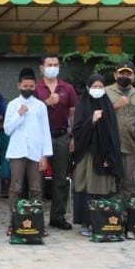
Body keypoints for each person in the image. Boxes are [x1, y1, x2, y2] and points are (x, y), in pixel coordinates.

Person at [3, 68, 52, 235]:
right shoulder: (12, 105)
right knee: (15, 188)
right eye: (25, 85)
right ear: (19, 85)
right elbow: (7, 129)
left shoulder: (40, 106)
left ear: (35, 86)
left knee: (36, 188)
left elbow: (46, 131)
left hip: (36, 153)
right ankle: (14, 222)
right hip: (17, 152)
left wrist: (45, 155)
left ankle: (37, 223)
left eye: (31, 86)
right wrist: (19, 114)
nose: (28, 88)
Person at [71, 74, 121, 236]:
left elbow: (113, 135)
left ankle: (100, 221)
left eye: (101, 87)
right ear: (88, 87)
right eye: (95, 86)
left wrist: (110, 157)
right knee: (85, 187)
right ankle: (85, 223)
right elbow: (77, 132)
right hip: (86, 155)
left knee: (101, 187)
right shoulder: (82, 105)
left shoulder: (107, 106)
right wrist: (91, 121)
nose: (98, 90)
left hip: (104, 156)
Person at [34, 55, 77, 230]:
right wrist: (46, 103)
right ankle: (35, 217)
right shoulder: (35, 88)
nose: (53, 67)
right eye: (49, 65)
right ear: (42, 68)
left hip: (61, 137)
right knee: (38, 179)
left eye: (56, 65)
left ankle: (57, 217)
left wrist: (73, 136)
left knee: (60, 179)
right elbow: (29, 112)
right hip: (39, 139)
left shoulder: (67, 88)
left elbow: (73, 114)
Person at [105, 60, 135, 208]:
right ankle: (110, 216)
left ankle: (126, 216)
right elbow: (97, 114)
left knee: (129, 182)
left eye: (129, 74)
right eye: (122, 73)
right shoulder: (106, 92)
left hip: (131, 145)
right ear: (115, 75)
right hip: (110, 145)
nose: (125, 76)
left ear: (134, 77)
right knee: (110, 182)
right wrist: (115, 106)